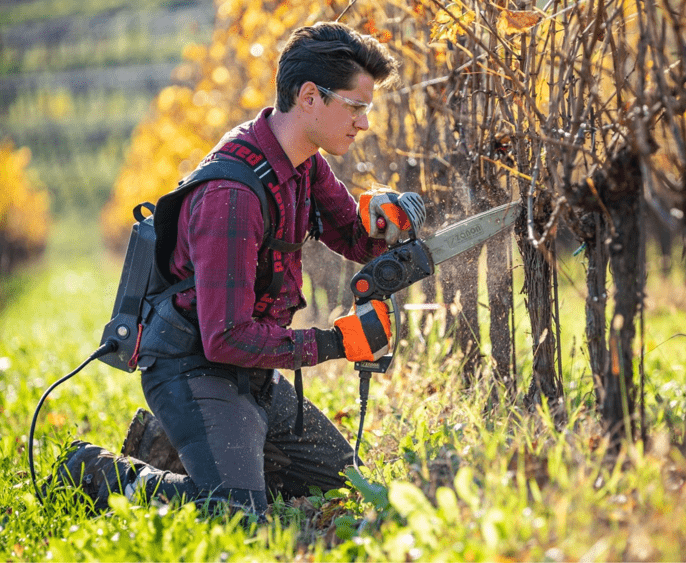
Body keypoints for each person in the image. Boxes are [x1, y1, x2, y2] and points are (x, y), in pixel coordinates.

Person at [50, 21, 425, 519]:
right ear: (310, 96)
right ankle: (101, 474)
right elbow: (224, 337)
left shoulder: (304, 165)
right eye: (356, 107)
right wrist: (335, 343)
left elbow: (355, 239)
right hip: (192, 367)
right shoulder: (232, 195)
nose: (363, 123)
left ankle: (189, 442)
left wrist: (383, 222)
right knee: (237, 515)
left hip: (251, 372)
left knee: (344, 487)